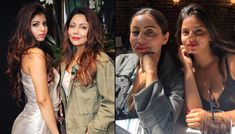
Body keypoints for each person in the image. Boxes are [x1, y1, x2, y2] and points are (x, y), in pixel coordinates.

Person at [115, 8, 184, 134]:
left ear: (165, 38)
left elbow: (162, 130)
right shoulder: (120, 62)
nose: (140, 40)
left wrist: (151, 72)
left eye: (149, 32)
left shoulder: (175, 78)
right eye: (135, 32)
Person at [176, 4, 235, 129]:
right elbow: (194, 119)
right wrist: (188, 70)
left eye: (198, 31)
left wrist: (211, 118)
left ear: (210, 35)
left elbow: (203, 119)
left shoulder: (230, 62)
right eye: (185, 32)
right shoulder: (186, 70)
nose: (191, 37)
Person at [7, 2, 60, 134]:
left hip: (34, 120)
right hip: (39, 124)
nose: (42, 29)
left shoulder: (27, 53)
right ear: (25, 27)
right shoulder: (36, 55)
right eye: (35, 24)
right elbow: (42, 100)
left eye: (44, 23)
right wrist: (55, 132)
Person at [60, 7, 115, 134]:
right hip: (71, 128)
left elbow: (111, 103)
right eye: (72, 26)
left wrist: (91, 130)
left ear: (92, 31)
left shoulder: (101, 61)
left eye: (83, 27)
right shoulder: (65, 61)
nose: (75, 31)